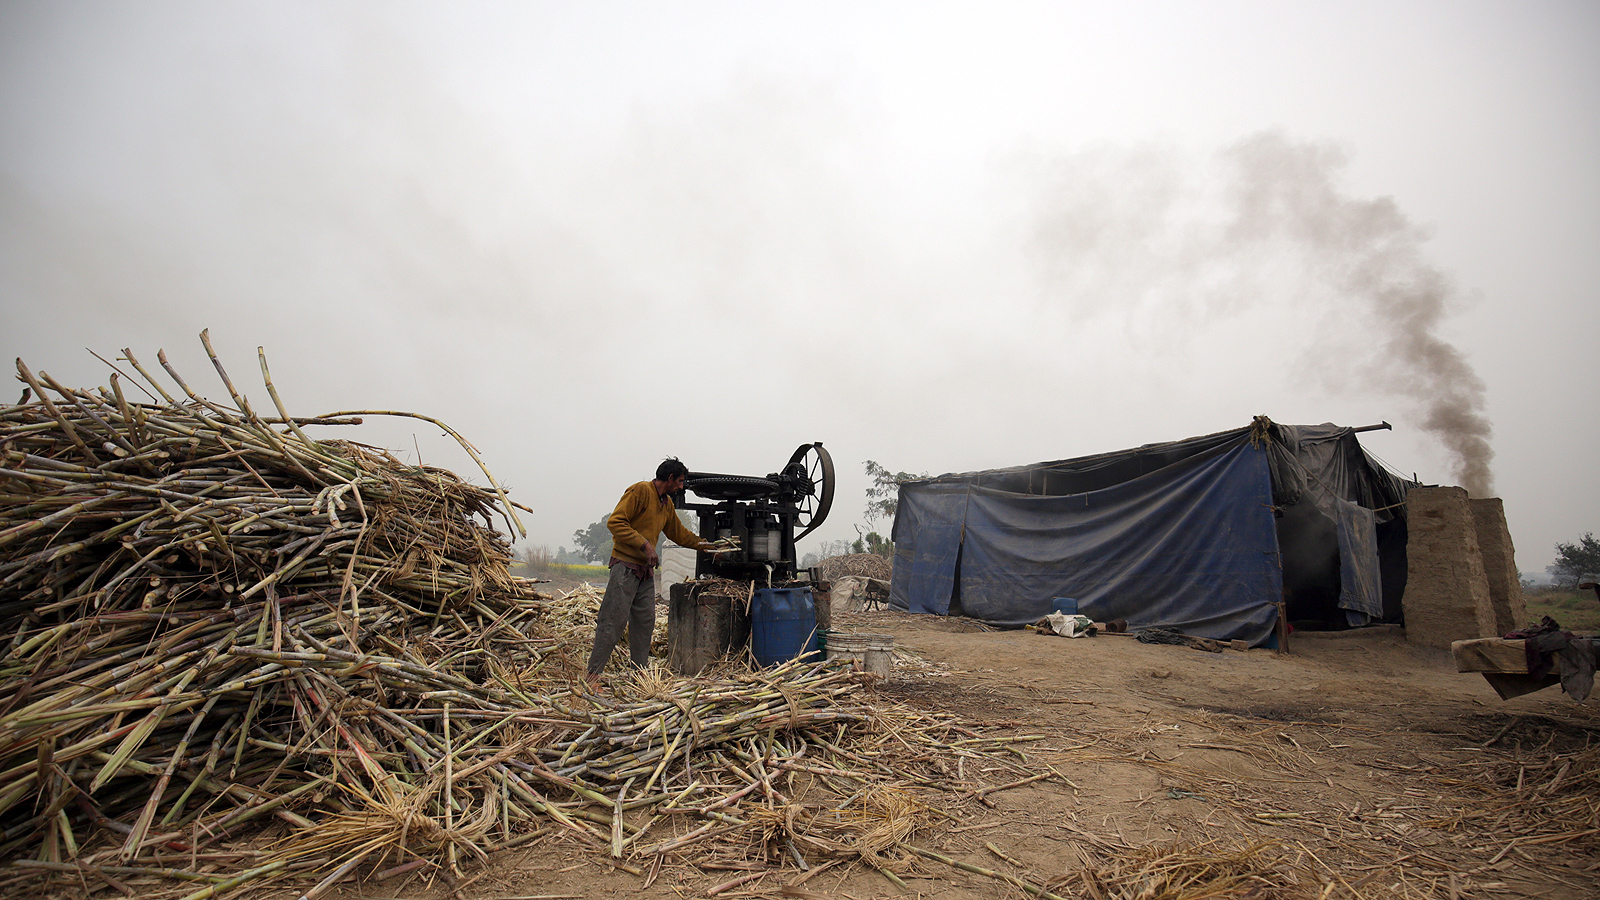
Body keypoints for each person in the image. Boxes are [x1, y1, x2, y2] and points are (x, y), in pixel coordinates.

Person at [586, 457, 718, 687]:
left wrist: (706, 546)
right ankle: (592, 675)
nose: (681, 486)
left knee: (645, 622)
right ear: (669, 478)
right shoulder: (640, 491)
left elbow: (679, 533)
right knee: (613, 621)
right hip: (625, 567)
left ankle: (639, 675)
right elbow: (615, 522)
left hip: (645, 572)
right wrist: (644, 544)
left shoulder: (666, 504)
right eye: (679, 482)